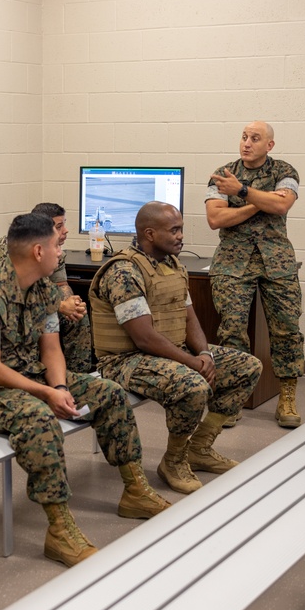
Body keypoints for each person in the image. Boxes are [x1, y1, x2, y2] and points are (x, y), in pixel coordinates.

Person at [0, 213, 169, 568]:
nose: (59, 249)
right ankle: (59, 529)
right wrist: (46, 394)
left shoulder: (43, 289)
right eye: (55, 244)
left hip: (28, 374)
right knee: (37, 420)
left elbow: (51, 348)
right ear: (38, 251)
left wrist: (61, 386)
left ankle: (135, 490)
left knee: (108, 393)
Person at [89, 201, 263, 494]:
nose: (181, 236)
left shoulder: (172, 265)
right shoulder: (123, 272)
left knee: (247, 367)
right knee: (192, 386)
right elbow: (143, 337)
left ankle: (200, 449)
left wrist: (204, 353)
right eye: (174, 230)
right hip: (124, 360)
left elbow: (189, 316)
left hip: (166, 351)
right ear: (149, 234)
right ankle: (174, 461)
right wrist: (192, 363)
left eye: (180, 229)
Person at [205, 120, 305, 428]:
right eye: (244, 137)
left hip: (277, 262)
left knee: (287, 329)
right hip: (232, 264)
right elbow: (215, 218)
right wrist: (258, 203)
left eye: (255, 138)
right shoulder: (222, 174)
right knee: (232, 330)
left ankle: (287, 397)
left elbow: (282, 204)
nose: (247, 143)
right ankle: (232, 399)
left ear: (269, 145)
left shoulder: (285, 171)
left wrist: (242, 192)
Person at [0, 202, 94, 374]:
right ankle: (37, 373)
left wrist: (72, 304)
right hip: (4, 307)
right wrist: (61, 306)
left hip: (37, 301)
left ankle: (74, 375)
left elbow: (60, 284)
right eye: (59, 226)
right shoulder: (14, 247)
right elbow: (19, 294)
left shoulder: (54, 250)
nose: (66, 230)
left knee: (77, 317)